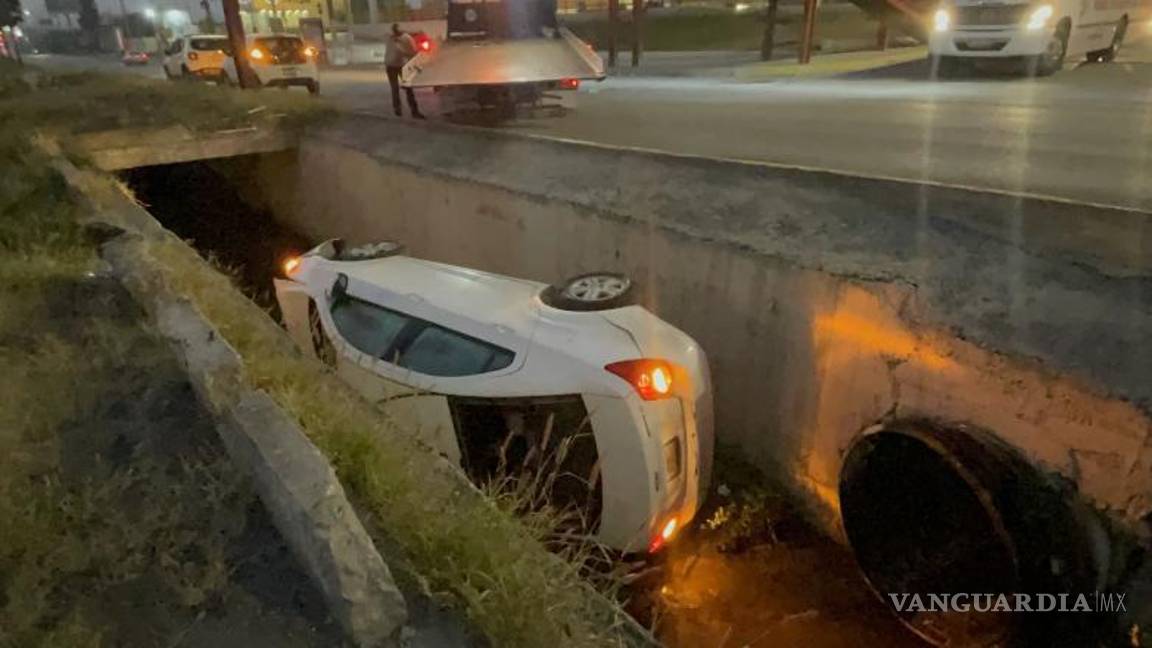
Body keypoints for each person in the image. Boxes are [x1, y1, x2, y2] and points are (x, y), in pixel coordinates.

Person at [384, 24, 424, 119]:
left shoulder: (405, 38)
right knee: (398, 89)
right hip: (392, 66)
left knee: (406, 89)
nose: (394, 33)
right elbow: (412, 53)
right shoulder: (391, 38)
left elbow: (412, 52)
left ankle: (410, 111)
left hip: (400, 66)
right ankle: (402, 110)